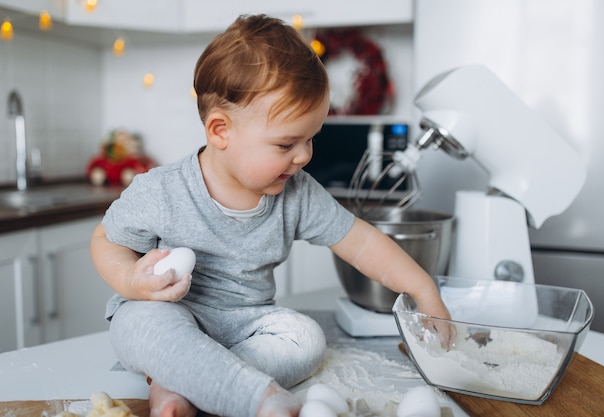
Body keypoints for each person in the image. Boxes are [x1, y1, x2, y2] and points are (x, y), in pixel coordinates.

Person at [90, 14, 452, 417]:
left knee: (305, 339)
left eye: (311, 138)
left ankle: (178, 385)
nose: (304, 156)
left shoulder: (297, 193)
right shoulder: (162, 191)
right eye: (286, 144)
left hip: (250, 327)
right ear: (221, 131)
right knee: (138, 321)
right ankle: (254, 397)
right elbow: (106, 240)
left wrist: (424, 289)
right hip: (169, 315)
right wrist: (131, 282)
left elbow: (362, 242)